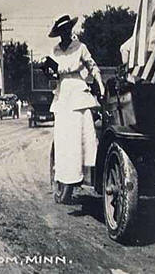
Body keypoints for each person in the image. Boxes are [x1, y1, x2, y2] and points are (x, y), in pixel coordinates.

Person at [47, 14, 105, 191]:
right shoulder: (55, 50)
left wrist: (100, 86)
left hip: (78, 92)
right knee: (64, 138)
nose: (65, 33)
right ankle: (65, 179)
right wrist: (50, 74)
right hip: (63, 93)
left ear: (70, 29)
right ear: (58, 33)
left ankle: (85, 176)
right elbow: (52, 75)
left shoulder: (80, 47)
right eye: (61, 31)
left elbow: (92, 67)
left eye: (67, 30)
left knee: (82, 136)